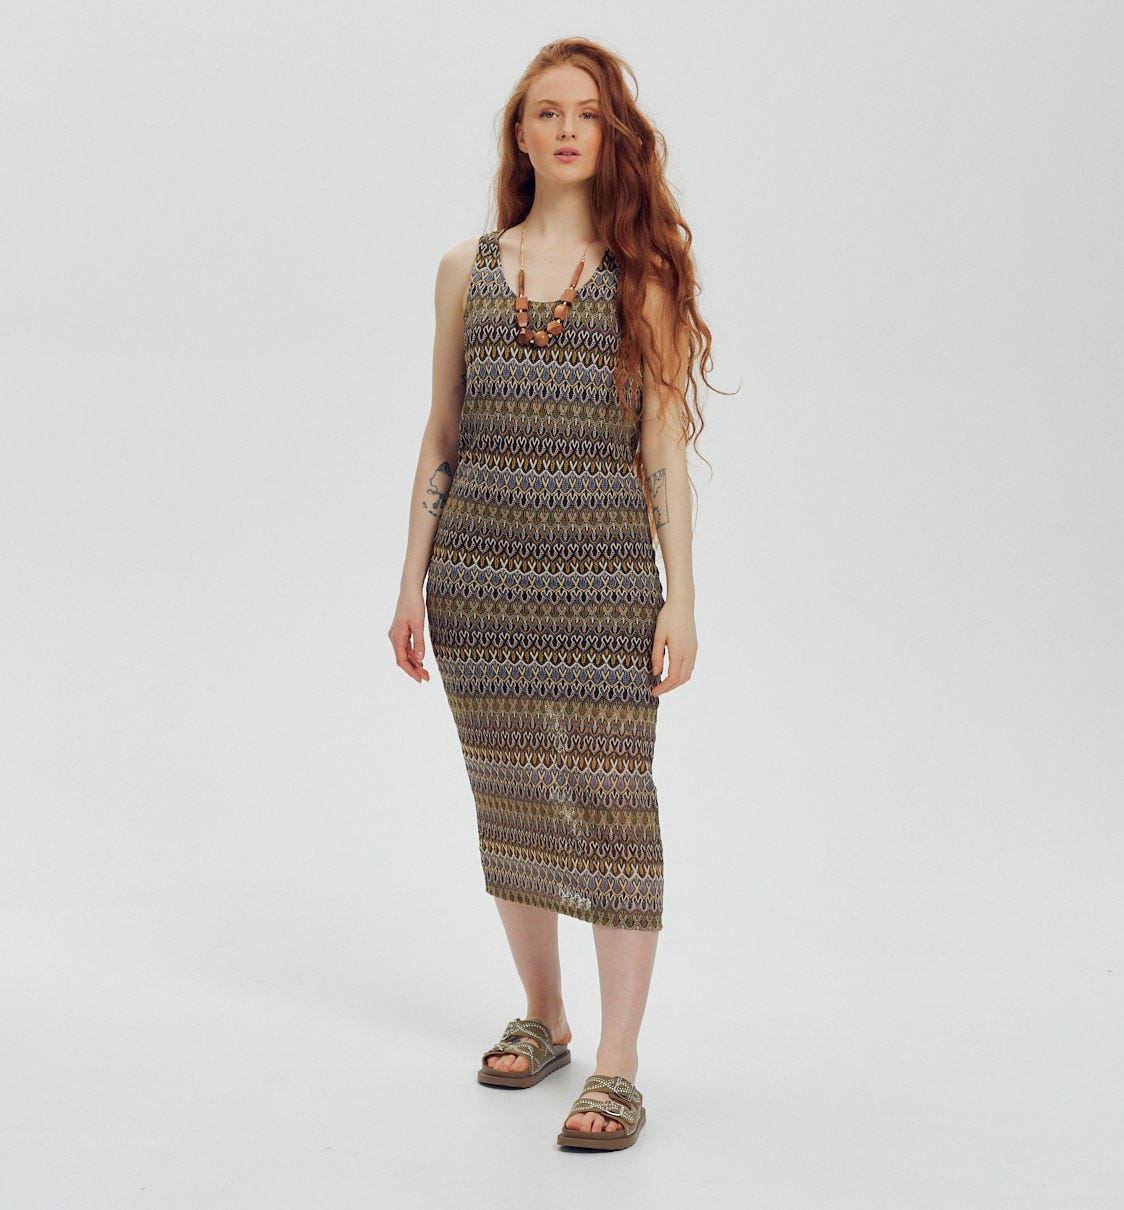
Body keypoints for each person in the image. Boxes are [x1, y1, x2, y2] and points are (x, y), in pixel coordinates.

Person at [389, 36, 722, 1151]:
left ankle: (618, 1065)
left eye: (586, 112)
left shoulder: (643, 279)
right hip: (478, 582)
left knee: (615, 812)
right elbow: (442, 431)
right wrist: (409, 582)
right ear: (520, 135)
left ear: (609, 134)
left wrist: (681, 597)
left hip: (605, 583)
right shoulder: (465, 268)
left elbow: (662, 449)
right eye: (547, 111)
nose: (568, 128)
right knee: (511, 798)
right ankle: (545, 1014)